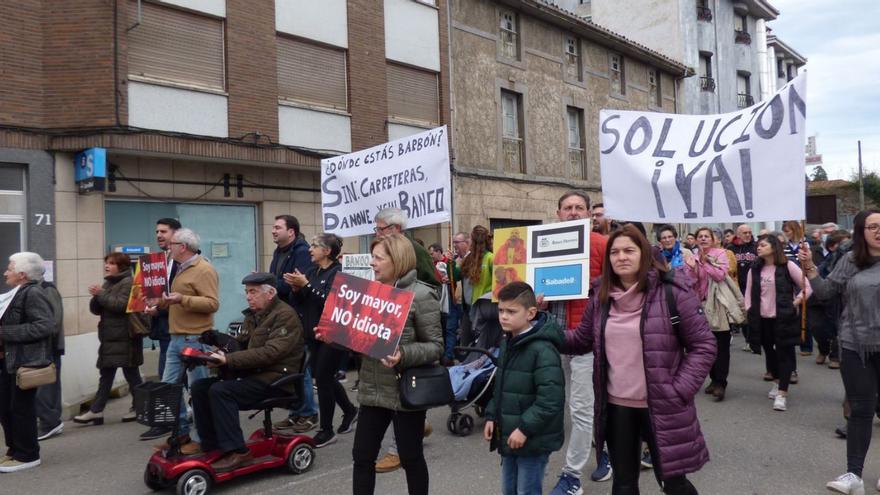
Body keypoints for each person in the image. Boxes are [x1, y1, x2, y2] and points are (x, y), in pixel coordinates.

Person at [563, 225, 715, 494]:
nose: (621, 257)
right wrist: (536, 323)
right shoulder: (601, 298)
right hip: (617, 407)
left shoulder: (672, 292)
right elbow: (579, 341)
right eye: (615, 252)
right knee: (623, 484)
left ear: (643, 254)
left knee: (674, 484)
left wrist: (679, 389)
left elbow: (703, 344)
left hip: (662, 405)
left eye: (629, 250)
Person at [342, 233, 442, 495]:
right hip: (372, 391)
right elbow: (358, 341)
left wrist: (403, 355)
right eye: (372, 257)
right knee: (362, 458)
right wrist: (333, 335)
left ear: (396, 260)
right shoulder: (367, 292)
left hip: (404, 393)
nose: (372, 263)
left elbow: (436, 347)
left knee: (410, 458)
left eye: (378, 257)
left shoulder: (420, 295)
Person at [799, 210, 880, 495]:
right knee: (860, 409)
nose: (878, 231)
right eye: (873, 226)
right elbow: (825, 293)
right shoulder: (850, 260)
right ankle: (854, 476)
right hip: (855, 344)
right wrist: (809, 268)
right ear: (862, 231)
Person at [189, 272, 305, 470]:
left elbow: (270, 353)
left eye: (253, 292)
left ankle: (238, 452)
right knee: (200, 386)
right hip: (256, 374)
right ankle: (211, 445)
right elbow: (242, 346)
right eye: (247, 292)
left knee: (221, 391)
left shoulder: (285, 315)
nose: (248, 296)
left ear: (270, 293)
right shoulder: (253, 316)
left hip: (276, 378)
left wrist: (228, 359)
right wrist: (218, 349)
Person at [547, 191, 610, 494]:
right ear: (558, 213)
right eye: (567, 208)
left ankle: (572, 475)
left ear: (588, 214)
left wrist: (590, 289)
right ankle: (607, 450)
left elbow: (621, 290)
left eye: (579, 208)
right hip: (554, 336)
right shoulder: (542, 243)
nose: (573, 212)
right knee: (565, 401)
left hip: (586, 339)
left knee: (582, 406)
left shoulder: (603, 245)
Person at [484, 282, 564, 495]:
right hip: (510, 434)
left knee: (527, 491)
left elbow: (551, 399)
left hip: (532, 439)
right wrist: (492, 415)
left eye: (511, 311)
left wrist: (524, 429)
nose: (504, 316)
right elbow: (501, 385)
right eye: (501, 310)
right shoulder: (508, 342)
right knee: (509, 490)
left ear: (531, 313)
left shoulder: (543, 349)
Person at [150, 228, 219, 450]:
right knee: (168, 387)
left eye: (171, 244)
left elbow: (212, 304)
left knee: (198, 390)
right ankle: (180, 433)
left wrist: (183, 299)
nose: (167, 248)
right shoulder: (176, 268)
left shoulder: (204, 269)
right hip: (176, 337)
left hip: (196, 337)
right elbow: (171, 299)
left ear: (182, 247)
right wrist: (157, 305)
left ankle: (201, 439)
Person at [288, 234, 358, 448]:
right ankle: (350, 410)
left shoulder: (338, 273)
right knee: (323, 376)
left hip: (333, 335)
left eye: (315, 246)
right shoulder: (312, 271)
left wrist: (307, 286)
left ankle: (326, 430)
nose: (310, 250)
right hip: (313, 333)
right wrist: (296, 288)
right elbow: (301, 302)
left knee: (322, 378)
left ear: (327, 251)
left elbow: (332, 302)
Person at [73, 253, 144, 426]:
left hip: (125, 336)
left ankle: (139, 407)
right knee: (106, 373)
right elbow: (98, 309)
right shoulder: (110, 281)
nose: (107, 266)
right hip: (110, 336)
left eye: (111, 263)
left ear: (121, 266)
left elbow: (121, 305)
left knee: (131, 373)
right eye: (106, 263)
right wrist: (96, 296)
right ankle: (96, 411)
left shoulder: (128, 281)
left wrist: (101, 294)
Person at [0, 252, 56, 472]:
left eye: (10, 268)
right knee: (6, 408)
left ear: (22, 274)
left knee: (20, 409)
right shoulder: (16, 292)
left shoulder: (32, 293)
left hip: (25, 363)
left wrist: (4, 332)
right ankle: (14, 450)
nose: (6, 272)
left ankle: (28, 455)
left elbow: (45, 325)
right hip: (9, 362)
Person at [745, 234, 811, 412]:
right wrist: (749, 310)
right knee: (769, 352)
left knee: (785, 353)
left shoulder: (787, 266)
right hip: (762, 318)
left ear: (774, 247)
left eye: (763, 245)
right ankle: (776, 381)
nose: (758, 248)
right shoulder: (755, 269)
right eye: (758, 245)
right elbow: (749, 293)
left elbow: (806, 288)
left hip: (783, 317)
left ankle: (782, 392)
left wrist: (795, 303)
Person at [271, 214, 320, 434]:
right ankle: (296, 413)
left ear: (291, 232)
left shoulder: (301, 252)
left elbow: (293, 284)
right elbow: (278, 280)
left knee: (302, 367)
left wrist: (269, 283)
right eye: (273, 227)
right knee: (291, 366)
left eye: (277, 227)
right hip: (284, 315)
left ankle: (309, 412)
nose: (273, 230)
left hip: (298, 317)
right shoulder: (278, 252)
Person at [141, 217, 181, 441]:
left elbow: (181, 298)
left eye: (163, 231)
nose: (159, 235)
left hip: (177, 327)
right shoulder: (161, 260)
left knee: (170, 376)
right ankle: (176, 418)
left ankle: (168, 420)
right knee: (173, 376)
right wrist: (149, 305)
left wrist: (160, 309)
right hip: (166, 328)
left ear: (176, 234)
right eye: (157, 231)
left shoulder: (182, 261)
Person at [685, 227, 732, 401]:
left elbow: (720, 275)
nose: (703, 239)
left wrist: (704, 264)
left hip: (718, 305)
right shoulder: (693, 256)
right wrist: (691, 268)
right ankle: (713, 379)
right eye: (700, 236)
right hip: (700, 305)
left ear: (713, 239)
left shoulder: (720, 254)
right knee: (706, 344)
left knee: (721, 344)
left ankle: (721, 383)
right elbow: (690, 282)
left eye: (707, 236)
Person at [373, 208, 440, 287]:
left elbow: (433, 284)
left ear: (396, 228)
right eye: (376, 229)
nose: (377, 234)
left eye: (380, 229)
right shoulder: (385, 248)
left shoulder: (416, 250)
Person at [34, 278, 64, 441]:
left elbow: (53, 322)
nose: (6, 273)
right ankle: (48, 421)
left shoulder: (47, 289)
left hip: (48, 348)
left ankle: (50, 422)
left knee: (46, 388)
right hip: (38, 348)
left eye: (11, 268)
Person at [728, 224, 758, 349]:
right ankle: (749, 340)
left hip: (753, 285)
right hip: (737, 286)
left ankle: (754, 341)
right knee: (743, 314)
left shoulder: (755, 247)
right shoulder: (730, 248)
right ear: (738, 234)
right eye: (745, 232)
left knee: (753, 313)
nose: (748, 235)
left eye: (749, 232)